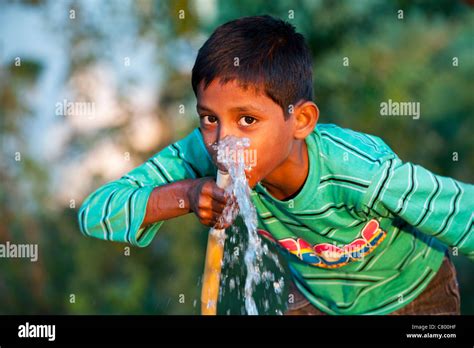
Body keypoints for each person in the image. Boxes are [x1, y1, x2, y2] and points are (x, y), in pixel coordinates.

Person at [78, 15, 473, 315]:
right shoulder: (203, 154)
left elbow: (464, 214)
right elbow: (96, 212)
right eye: (209, 118)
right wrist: (185, 194)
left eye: (247, 120)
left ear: (300, 121)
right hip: (321, 301)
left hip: (415, 294)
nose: (224, 141)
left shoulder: (360, 172)